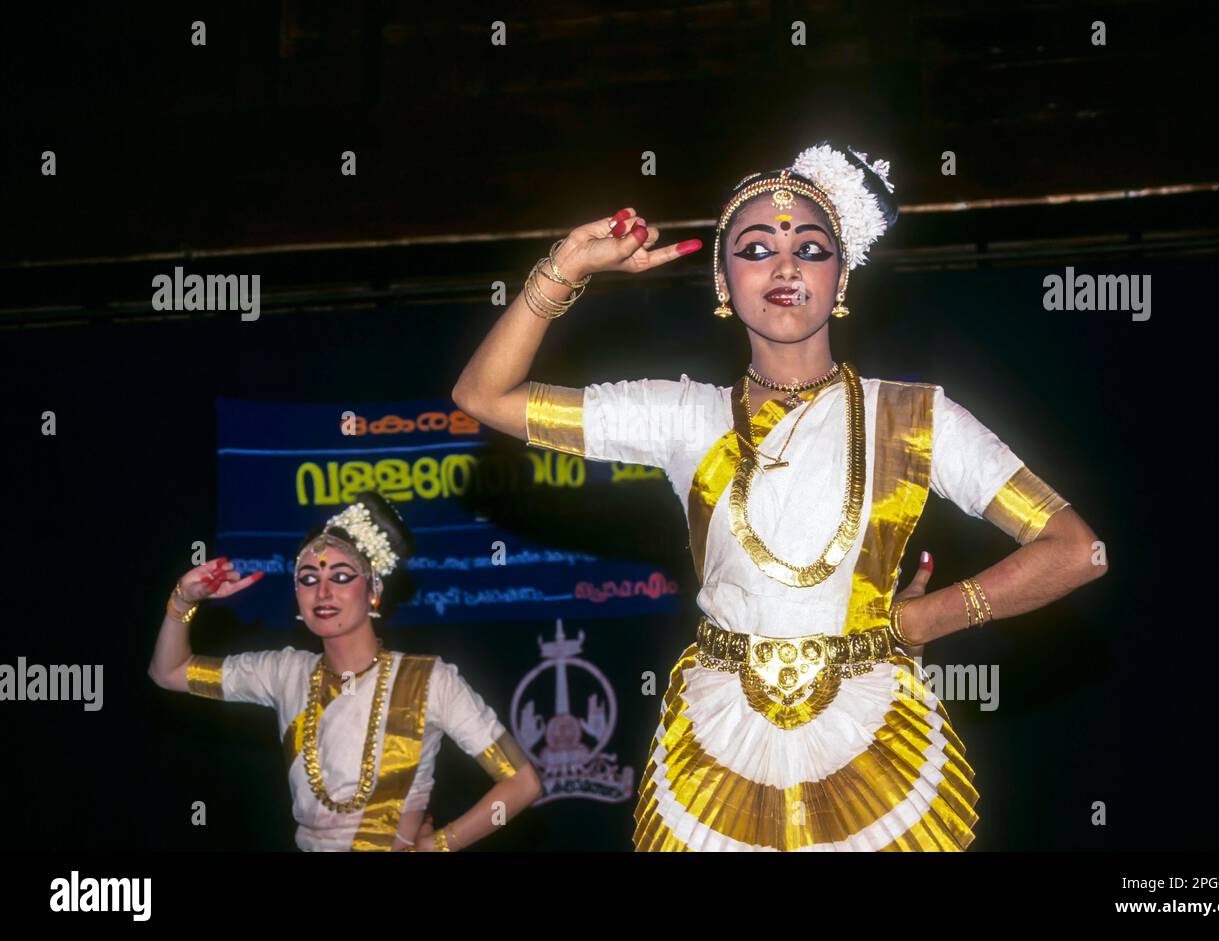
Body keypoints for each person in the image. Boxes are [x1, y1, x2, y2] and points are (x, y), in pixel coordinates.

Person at [452, 141, 1107, 851]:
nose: (786, 265)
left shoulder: (915, 417)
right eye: (757, 247)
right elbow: (483, 395)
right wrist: (564, 268)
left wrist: (926, 622)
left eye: (812, 247)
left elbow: (1077, 550)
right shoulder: (684, 415)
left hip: (871, 733)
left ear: (842, 276)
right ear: (723, 283)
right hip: (720, 743)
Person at [148, 491, 541, 851]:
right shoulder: (284, 672)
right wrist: (183, 601)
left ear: (373, 591)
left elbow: (522, 783)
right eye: (308, 579)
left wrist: (436, 846)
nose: (323, 593)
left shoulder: (427, 680)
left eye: (340, 577)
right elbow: (169, 673)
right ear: (297, 598)